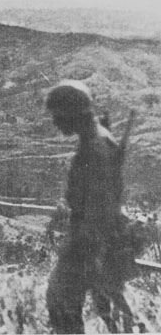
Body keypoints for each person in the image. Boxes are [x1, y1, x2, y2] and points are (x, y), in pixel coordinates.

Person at [44, 80, 143, 334]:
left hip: (91, 241)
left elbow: (100, 205)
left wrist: (84, 249)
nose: (55, 122)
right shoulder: (94, 142)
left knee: (61, 300)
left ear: (73, 113)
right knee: (110, 309)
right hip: (98, 240)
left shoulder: (96, 147)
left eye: (58, 115)